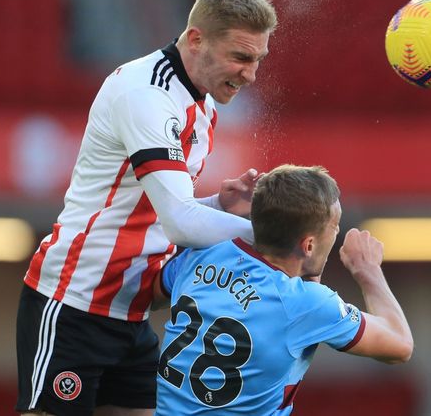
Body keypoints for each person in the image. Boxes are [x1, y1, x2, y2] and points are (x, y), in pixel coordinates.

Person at [15, 0, 277, 416]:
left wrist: (218, 205)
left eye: (258, 59)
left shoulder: (204, 102)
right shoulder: (147, 94)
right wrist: (272, 235)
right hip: (74, 304)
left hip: (132, 313)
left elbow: (159, 211)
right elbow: (180, 222)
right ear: (196, 39)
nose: (251, 74)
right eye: (240, 57)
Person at [153, 165, 414, 415]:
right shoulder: (306, 303)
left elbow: (151, 295)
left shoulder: (203, 253)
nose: (336, 233)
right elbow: (400, 346)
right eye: (334, 226)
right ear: (308, 245)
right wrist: (367, 270)